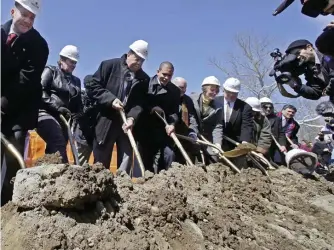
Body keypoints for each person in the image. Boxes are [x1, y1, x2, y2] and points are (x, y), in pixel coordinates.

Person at [1, 0, 49, 206]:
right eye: (24, 15)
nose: (28, 21)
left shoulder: (38, 46)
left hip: (19, 108)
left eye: (32, 17)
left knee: (14, 153)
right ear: (13, 12)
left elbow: (24, 80)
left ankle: (6, 207)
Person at [85, 40, 150, 173]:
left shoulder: (144, 79)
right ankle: (100, 186)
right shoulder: (109, 66)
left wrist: (132, 118)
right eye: (137, 59)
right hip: (106, 121)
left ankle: (123, 186)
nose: (139, 63)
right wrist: (110, 99)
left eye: (142, 61)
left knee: (126, 157)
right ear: (129, 54)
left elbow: (139, 103)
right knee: (101, 162)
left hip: (125, 123)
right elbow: (93, 86)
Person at [37, 45, 82, 163]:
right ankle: (64, 172)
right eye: (70, 61)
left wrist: (77, 115)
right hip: (45, 114)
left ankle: (49, 173)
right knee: (57, 140)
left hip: (64, 120)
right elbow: (40, 91)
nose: (73, 65)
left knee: (57, 146)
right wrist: (57, 107)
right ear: (62, 59)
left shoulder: (76, 81)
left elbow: (77, 102)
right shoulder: (51, 71)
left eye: (75, 63)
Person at [135, 62, 180, 173]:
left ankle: (167, 181)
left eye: (169, 75)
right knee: (146, 160)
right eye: (164, 74)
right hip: (145, 130)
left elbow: (174, 112)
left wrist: (172, 124)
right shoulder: (144, 84)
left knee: (169, 155)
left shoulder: (174, 91)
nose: (166, 78)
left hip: (163, 130)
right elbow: (138, 104)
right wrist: (151, 109)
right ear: (157, 71)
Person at [215, 77, 253, 151]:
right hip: (215, 143)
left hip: (235, 144)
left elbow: (246, 125)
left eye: (234, 93)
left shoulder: (245, 107)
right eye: (228, 92)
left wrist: (244, 142)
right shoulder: (215, 101)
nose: (231, 95)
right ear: (224, 89)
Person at [191, 76, 223, 164]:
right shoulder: (192, 100)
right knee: (196, 158)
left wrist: (217, 143)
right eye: (212, 90)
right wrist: (194, 133)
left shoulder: (219, 106)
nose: (215, 93)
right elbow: (191, 118)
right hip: (192, 135)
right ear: (204, 89)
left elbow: (218, 126)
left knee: (214, 157)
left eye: (217, 91)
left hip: (207, 138)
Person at [172, 77, 199, 164]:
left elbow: (192, 118)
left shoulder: (188, 100)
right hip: (169, 134)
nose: (183, 90)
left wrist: (193, 132)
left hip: (184, 135)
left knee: (195, 148)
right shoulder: (167, 97)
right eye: (180, 87)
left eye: (184, 88)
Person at [72, 75, 96, 165]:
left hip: (95, 136)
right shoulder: (80, 97)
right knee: (80, 164)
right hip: (83, 137)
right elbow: (77, 115)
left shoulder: (98, 98)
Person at [260, 97, 287, 163]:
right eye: (265, 107)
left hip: (273, 146)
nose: (268, 109)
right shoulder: (255, 117)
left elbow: (281, 133)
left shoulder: (277, 119)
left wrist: (283, 145)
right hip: (259, 145)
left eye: (270, 107)